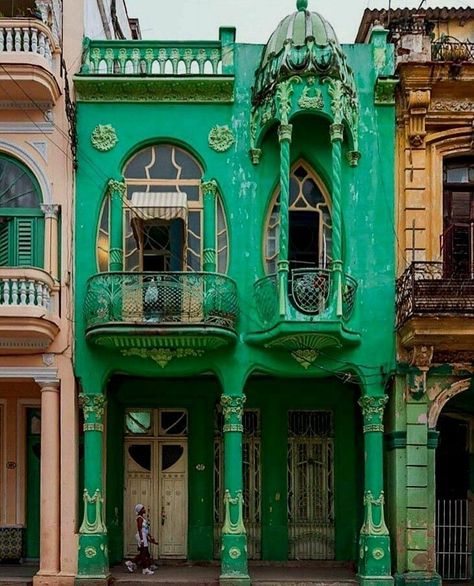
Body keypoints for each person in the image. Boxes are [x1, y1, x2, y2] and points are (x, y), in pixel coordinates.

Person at [125, 504, 158, 575]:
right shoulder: (139, 518)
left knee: (144, 552)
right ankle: (145, 569)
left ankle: (131, 563)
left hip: (144, 536)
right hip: (141, 536)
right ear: (140, 510)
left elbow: (145, 530)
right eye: (143, 508)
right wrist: (142, 540)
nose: (144, 509)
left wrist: (150, 536)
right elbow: (140, 529)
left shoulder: (143, 518)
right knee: (143, 553)